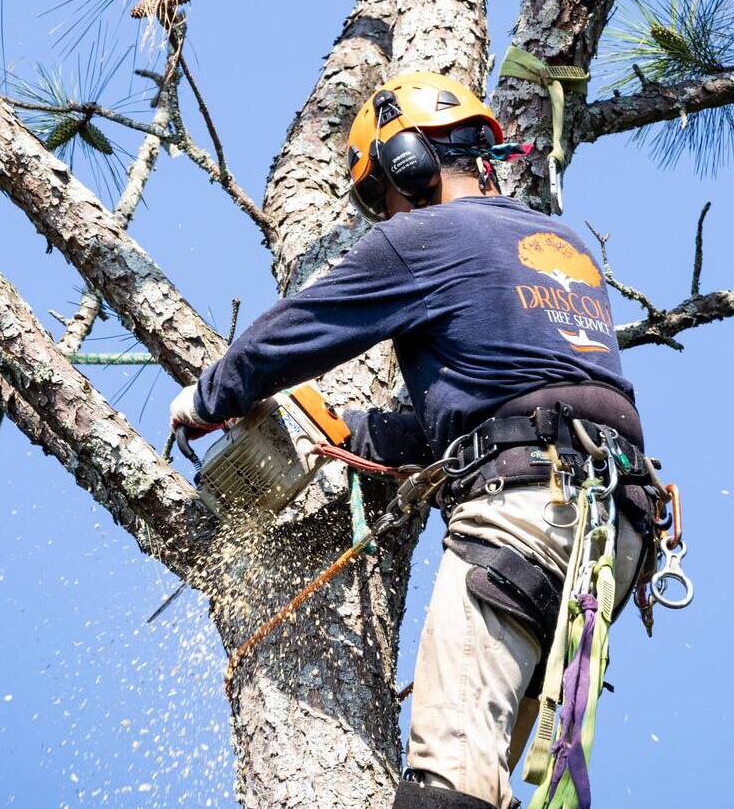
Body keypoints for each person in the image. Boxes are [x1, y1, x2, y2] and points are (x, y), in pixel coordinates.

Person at [172, 71, 654, 809]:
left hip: (527, 512)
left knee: (450, 776)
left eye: (378, 195)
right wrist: (354, 434)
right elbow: (500, 395)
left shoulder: (422, 236)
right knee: (494, 772)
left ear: (408, 161)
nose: (381, 215)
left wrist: (207, 398)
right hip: (613, 525)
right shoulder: (563, 243)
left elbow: (297, 331)